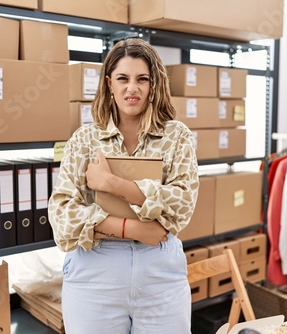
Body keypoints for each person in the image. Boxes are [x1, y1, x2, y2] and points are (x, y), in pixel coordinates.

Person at [48, 37, 199, 334]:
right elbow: (63, 216)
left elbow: (181, 204)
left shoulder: (176, 136)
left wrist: (112, 183)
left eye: (142, 79)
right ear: (109, 84)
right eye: (123, 79)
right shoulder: (84, 139)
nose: (132, 88)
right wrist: (135, 228)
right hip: (95, 268)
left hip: (160, 273)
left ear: (153, 84)